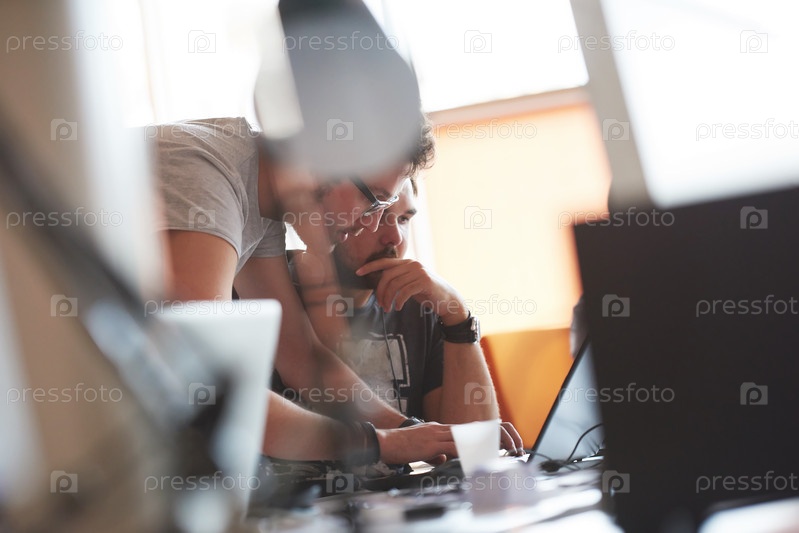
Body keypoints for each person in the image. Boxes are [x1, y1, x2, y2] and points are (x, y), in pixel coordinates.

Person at [154, 116, 459, 467]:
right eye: (374, 201)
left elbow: (300, 354)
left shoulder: (262, 197)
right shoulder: (205, 173)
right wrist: (381, 443)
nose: (371, 223)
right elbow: (212, 384)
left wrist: (412, 430)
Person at [293, 174, 524, 454]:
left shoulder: (421, 307)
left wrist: (457, 315)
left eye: (403, 219)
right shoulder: (270, 291)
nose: (395, 238)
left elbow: (472, 453)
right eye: (377, 214)